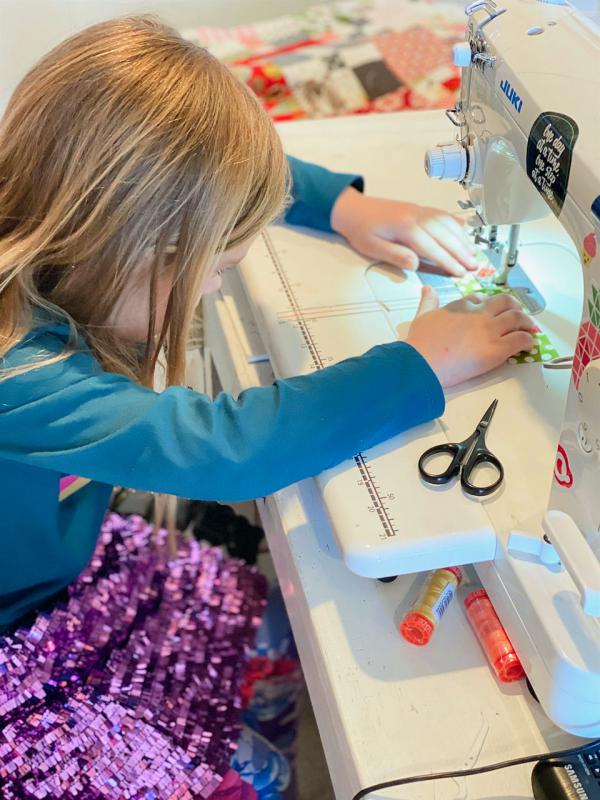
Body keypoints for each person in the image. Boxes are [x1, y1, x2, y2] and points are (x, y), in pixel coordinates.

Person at [0, 17, 535, 799]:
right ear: (146, 249)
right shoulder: (22, 378)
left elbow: (194, 170)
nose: (215, 289)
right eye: (215, 271)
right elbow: (228, 448)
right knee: (248, 776)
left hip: (51, 556)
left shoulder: (42, 190)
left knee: (264, 635)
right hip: (21, 624)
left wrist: (344, 207)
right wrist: (420, 361)